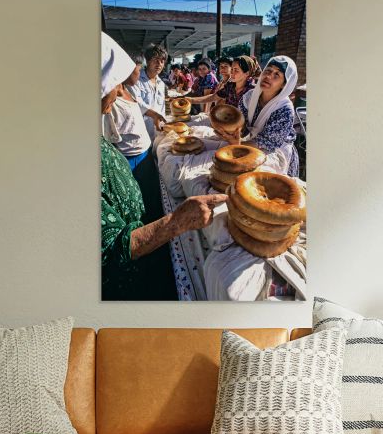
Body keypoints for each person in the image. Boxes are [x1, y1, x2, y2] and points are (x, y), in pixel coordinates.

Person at [100, 33, 227, 300]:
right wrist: (177, 221)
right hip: (121, 285)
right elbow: (109, 248)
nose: (117, 90)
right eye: (114, 83)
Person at [239, 55, 300, 176]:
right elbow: (241, 123)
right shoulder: (249, 97)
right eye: (268, 70)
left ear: (284, 84)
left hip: (275, 152)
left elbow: (267, 143)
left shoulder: (284, 109)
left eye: (276, 75)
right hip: (251, 143)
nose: (268, 76)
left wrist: (236, 143)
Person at [128, 43, 168, 131]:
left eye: (162, 61)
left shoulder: (161, 83)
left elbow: (162, 109)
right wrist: (154, 115)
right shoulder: (136, 79)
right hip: (140, 130)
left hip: (157, 131)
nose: (159, 64)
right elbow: (136, 103)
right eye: (156, 60)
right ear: (148, 61)